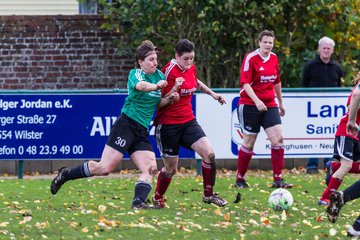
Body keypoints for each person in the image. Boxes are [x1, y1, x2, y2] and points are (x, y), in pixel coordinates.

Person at [50, 40, 179, 209]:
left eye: (156, 59)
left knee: (151, 168)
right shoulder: (136, 74)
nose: (155, 63)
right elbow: (141, 87)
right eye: (150, 59)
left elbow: (157, 103)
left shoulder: (160, 77)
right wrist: (156, 86)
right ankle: (65, 175)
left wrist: (169, 98)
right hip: (126, 125)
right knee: (104, 168)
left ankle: (138, 203)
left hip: (141, 130)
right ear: (141, 62)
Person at [152, 39, 228, 208]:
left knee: (209, 155)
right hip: (168, 125)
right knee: (171, 169)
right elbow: (158, 103)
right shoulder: (168, 72)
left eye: (192, 58)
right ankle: (157, 197)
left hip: (188, 121)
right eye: (185, 58)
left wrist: (213, 94)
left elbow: (195, 80)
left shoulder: (190, 68)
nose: (189, 62)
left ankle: (208, 195)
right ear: (176, 56)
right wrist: (172, 95)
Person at [235, 30, 292, 189]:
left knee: (278, 139)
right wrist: (257, 101)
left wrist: (280, 102)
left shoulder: (273, 58)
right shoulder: (251, 58)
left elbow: (277, 81)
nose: (268, 45)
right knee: (249, 142)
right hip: (249, 104)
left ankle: (278, 179)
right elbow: (245, 83)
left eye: (271, 42)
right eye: (265, 42)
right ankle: (240, 179)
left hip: (269, 104)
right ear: (259, 42)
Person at [302, 36, 344, 174]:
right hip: (313, 109)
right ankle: (311, 166)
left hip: (330, 110)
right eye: (324, 48)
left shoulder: (337, 67)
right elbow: (304, 84)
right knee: (313, 135)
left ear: (332, 50)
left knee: (329, 135)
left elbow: (338, 85)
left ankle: (329, 165)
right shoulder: (310, 65)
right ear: (319, 49)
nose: (326, 51)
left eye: (329, 48)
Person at [318, 72, 360, 206]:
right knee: (346, 165)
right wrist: (352, 121)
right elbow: (354, 98)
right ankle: (326, 197)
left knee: (346, 166)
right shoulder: (358, 88)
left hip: (356, 133)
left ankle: (334, 166)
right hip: (347, 131)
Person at [327, 76, 360, 237]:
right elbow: (355, 95)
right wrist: (352, 120)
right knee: (346, 164)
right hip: (350, 132)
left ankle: (341, 197)